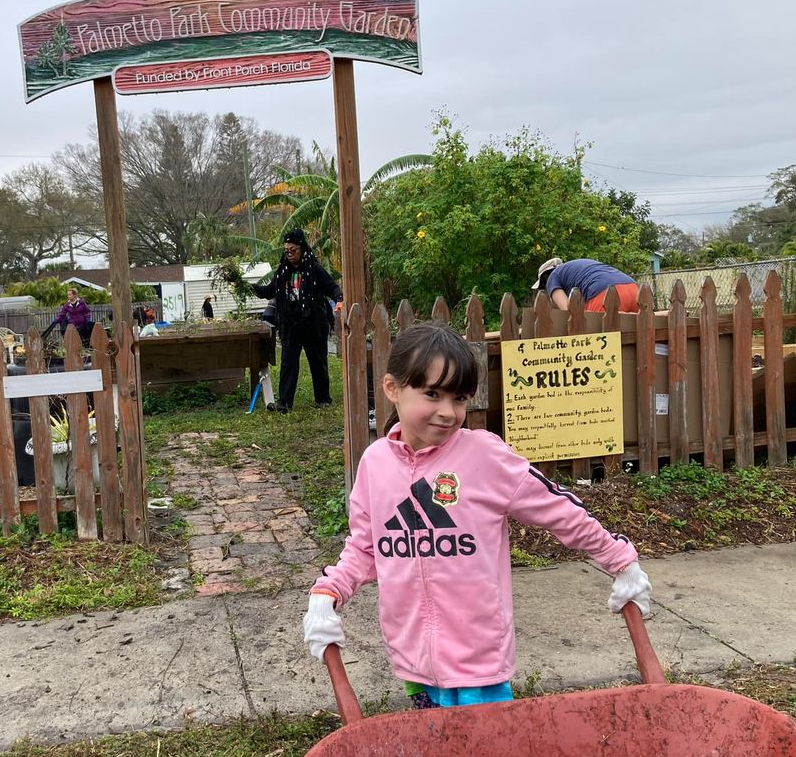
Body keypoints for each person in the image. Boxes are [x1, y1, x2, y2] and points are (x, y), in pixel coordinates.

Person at [303, 323, 652, 710]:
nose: (448, 412)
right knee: (435, 755)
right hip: (413, 660)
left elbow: (558, 510)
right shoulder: (375, 464)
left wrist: (619, 558)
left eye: (460, 398)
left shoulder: (484, 457)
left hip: (479, 662)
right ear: (392, 389)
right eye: (432, 394)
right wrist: (329, 591)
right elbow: (366, 548)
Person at [252, 229, 343, 412]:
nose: (290, 254)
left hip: (313, 323)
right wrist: (252, 288)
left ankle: (323, 399)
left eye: (293, 250)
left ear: (302, 249)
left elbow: (332, 288)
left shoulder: (314, 269)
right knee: (288, 362)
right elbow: (270, 291)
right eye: (287, 251)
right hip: (291, 324)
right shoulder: (283, 271)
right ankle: (284, 403)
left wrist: (339, 301)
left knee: (318, 361)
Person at [534, 257, 639, 313]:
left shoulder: (553, 277)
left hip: (604, 294)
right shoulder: (575, 269)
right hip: (633, 289)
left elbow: (569, 313)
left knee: (595, 338)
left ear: (545, 278)